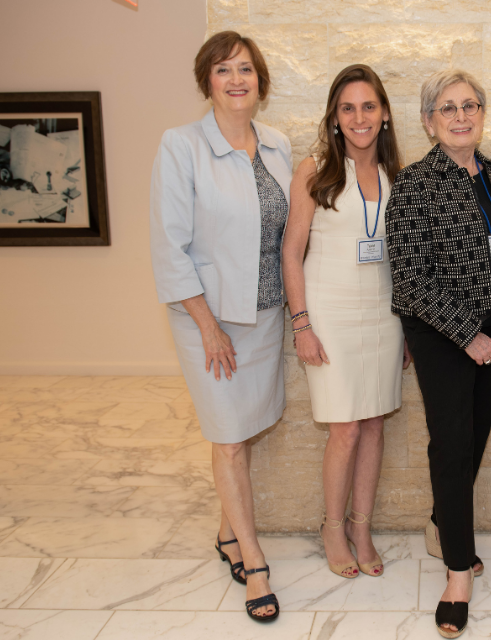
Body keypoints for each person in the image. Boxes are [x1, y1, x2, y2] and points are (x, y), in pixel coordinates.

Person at [386, 69, 491, 638]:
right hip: (443, 334)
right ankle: (456, 573)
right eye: (447, 108)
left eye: (470, 105)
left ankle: (440, 524)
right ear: (429, 121)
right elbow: (409, 279)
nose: (461, 115)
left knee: (475, 435)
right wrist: (466, 333)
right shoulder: (414, 184)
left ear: (482, 112)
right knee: (451, 442)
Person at [149, 31, 289, 622]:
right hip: (209, 319)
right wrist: (207, 326)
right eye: (224, 70)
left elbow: (293, 230)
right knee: (228, 437)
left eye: (246, 70)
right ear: (207, 80)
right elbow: (168, 245)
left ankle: (228, 533)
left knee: (245, 430)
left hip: (266, 313)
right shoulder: (180, 146)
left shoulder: (279, 144)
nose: (236, 80)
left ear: (261, 82)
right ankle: (253, 562)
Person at [281, 64, 410, 580]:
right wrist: (302, 325)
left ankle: (362, 526)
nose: (360, 117)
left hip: (383, 314)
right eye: (348, 108)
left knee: (375, 423)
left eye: (369, 106)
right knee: (346, 429)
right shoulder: (313, 170)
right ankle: (332, 526)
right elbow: (291, 254)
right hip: (329, 313)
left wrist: (407, 326)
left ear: (384, 115)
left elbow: (403, 259)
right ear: (335, 117)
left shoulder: (396, 174)